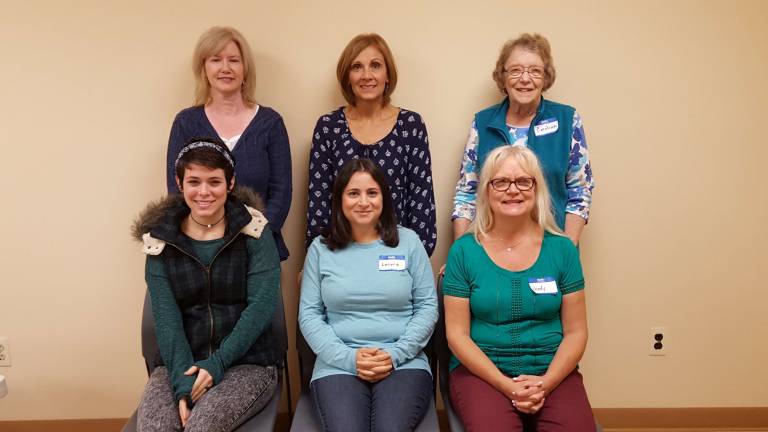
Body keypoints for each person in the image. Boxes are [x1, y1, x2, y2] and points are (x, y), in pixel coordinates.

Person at [133, 139, 281, 432]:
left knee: (201, 428)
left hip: (247, 362)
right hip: (179, 362)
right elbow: (166, 317)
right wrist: (182, 382)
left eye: (214, 181)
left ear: (230, 182)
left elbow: (261, 308)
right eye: (194, 181)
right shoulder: (160, 240)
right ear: (179, 182)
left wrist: (216, 364)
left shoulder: (255, 231)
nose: (204, 192)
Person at [443, 146, 595, 431]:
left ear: (537, 189)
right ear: (486, 191)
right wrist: (506, 386)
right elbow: (457, 336)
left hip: (551, 371)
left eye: (524, 181)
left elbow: (576, 332)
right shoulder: (463, 252)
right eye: (500, 181)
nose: (512, 190)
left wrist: (545, 383)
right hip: (482, 373)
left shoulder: (562, 249)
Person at [299, 158, 438, 432]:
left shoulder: (408, 242)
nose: (363, 202)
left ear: (383, 198)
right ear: (339, 199)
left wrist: (394, 354)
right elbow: (310, 315)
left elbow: (427, 306)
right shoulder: (320, 248)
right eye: (353, 193)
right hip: (337, 364)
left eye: (372, 193)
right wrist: (350, 359)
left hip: (404, 362)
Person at [452, 33, 594, 246]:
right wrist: (459, 256)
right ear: (503, 76)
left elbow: (580, 191)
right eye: (516, 70)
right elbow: (466, 194)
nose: (525, 79)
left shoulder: (567, 120)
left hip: (550, 246)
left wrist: (567, 252)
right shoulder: (482, 123)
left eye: (535, 71)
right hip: (489, 249)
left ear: (545, 77)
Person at [166, 26, 292, 261]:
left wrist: (255, 238)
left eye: (234, 60)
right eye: (216, 60)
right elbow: (177, 192)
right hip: (201, 252)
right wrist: (205, 239)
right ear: (204, 68)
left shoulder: (270, 123)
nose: (226, 68)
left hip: (259, 251)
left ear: (246, 69)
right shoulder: (186, 122)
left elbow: (281, 194)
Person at [306, 33, 437, 256]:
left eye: (375, 65)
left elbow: (421, 201)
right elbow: (319, 202)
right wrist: (315, 259)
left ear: (388, 75)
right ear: (347, 77)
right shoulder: (328, 127)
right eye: (357, 67)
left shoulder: (410, 126)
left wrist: (417, 259)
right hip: (339, 254)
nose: (366, 75)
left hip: (396, 254)